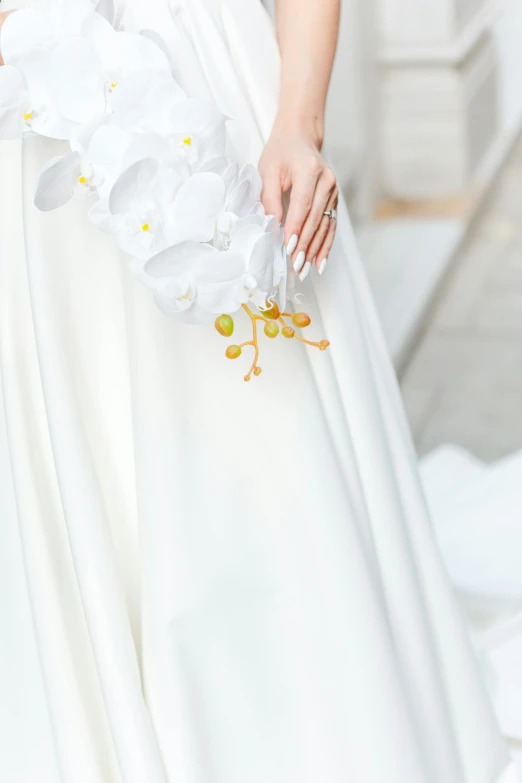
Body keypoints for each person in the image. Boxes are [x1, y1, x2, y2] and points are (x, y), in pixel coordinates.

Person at [0, 1, 517, 781]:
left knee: (265, 454)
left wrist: (297, 126)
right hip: (42, 124)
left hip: (211, 98)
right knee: (92, 463)